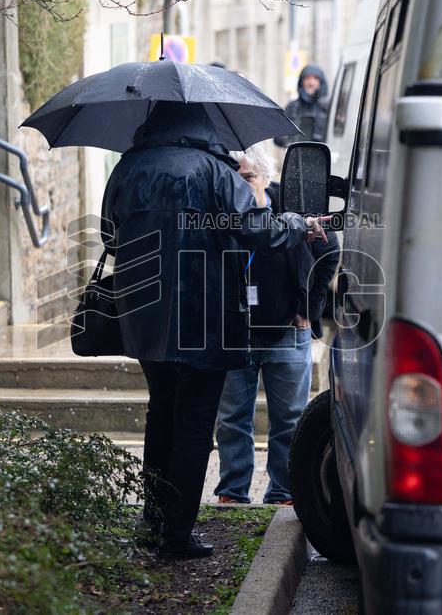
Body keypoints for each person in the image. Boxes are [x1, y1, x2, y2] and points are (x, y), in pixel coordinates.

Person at [100, 102, 329, 559]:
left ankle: (154, 517)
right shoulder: (214, 169)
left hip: (144, 312)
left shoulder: (128, 166)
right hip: (204, 313)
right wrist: (299, 224)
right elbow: (258, 228)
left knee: (161, 411)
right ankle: (178, 532)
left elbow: (110, 235)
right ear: (201, 123)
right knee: (195, 420)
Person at [214, 143, 339, 505]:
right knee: (233, 419)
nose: (242, 186)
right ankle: (233, 492)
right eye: (235, 180)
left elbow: (329, 251)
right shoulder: (224, 214)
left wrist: (308, 309)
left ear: (266, 178)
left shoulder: (292, 208)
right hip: (235, 333)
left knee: (289, 420)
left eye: (249, 177)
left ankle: (283, 492)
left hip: (287, 331)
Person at [274, 64, 330, 147]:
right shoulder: (292, 107)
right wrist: (291, 140)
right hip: (298, 157)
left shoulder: (328, 108)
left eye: (315, 78)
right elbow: (278, 137)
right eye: (307, 78)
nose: (311, 83)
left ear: (321, 82)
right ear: (301, 81)